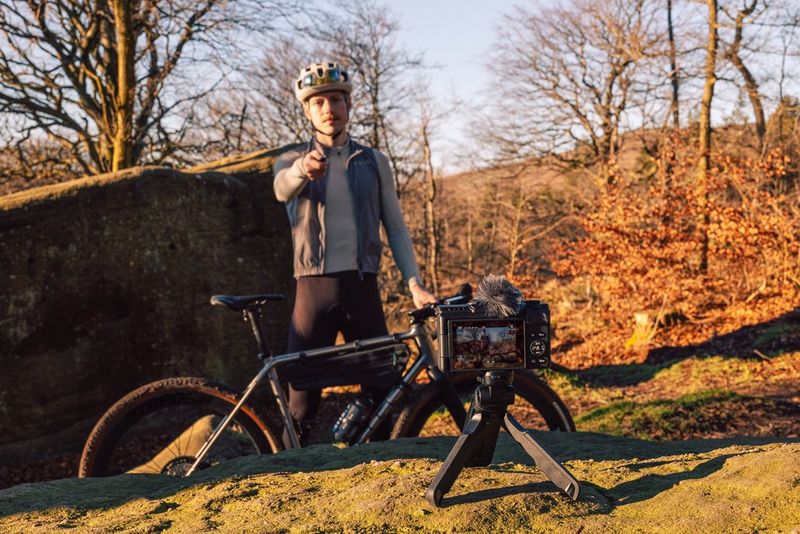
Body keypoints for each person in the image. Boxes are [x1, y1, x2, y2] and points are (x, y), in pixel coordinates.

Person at [273, 61, 437, 446]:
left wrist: (414, 283)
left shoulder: (374, 161)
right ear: (307, 111)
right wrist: (302, 169)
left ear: (349, 105)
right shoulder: (291, 160)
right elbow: (282, 188)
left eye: (336, 100)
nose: (328, 109)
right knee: (300, 402)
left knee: (383, 388)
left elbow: (394, 226)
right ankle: (282, 478)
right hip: (314, 289)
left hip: (363, 286)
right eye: (318, 103)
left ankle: (372, 472)